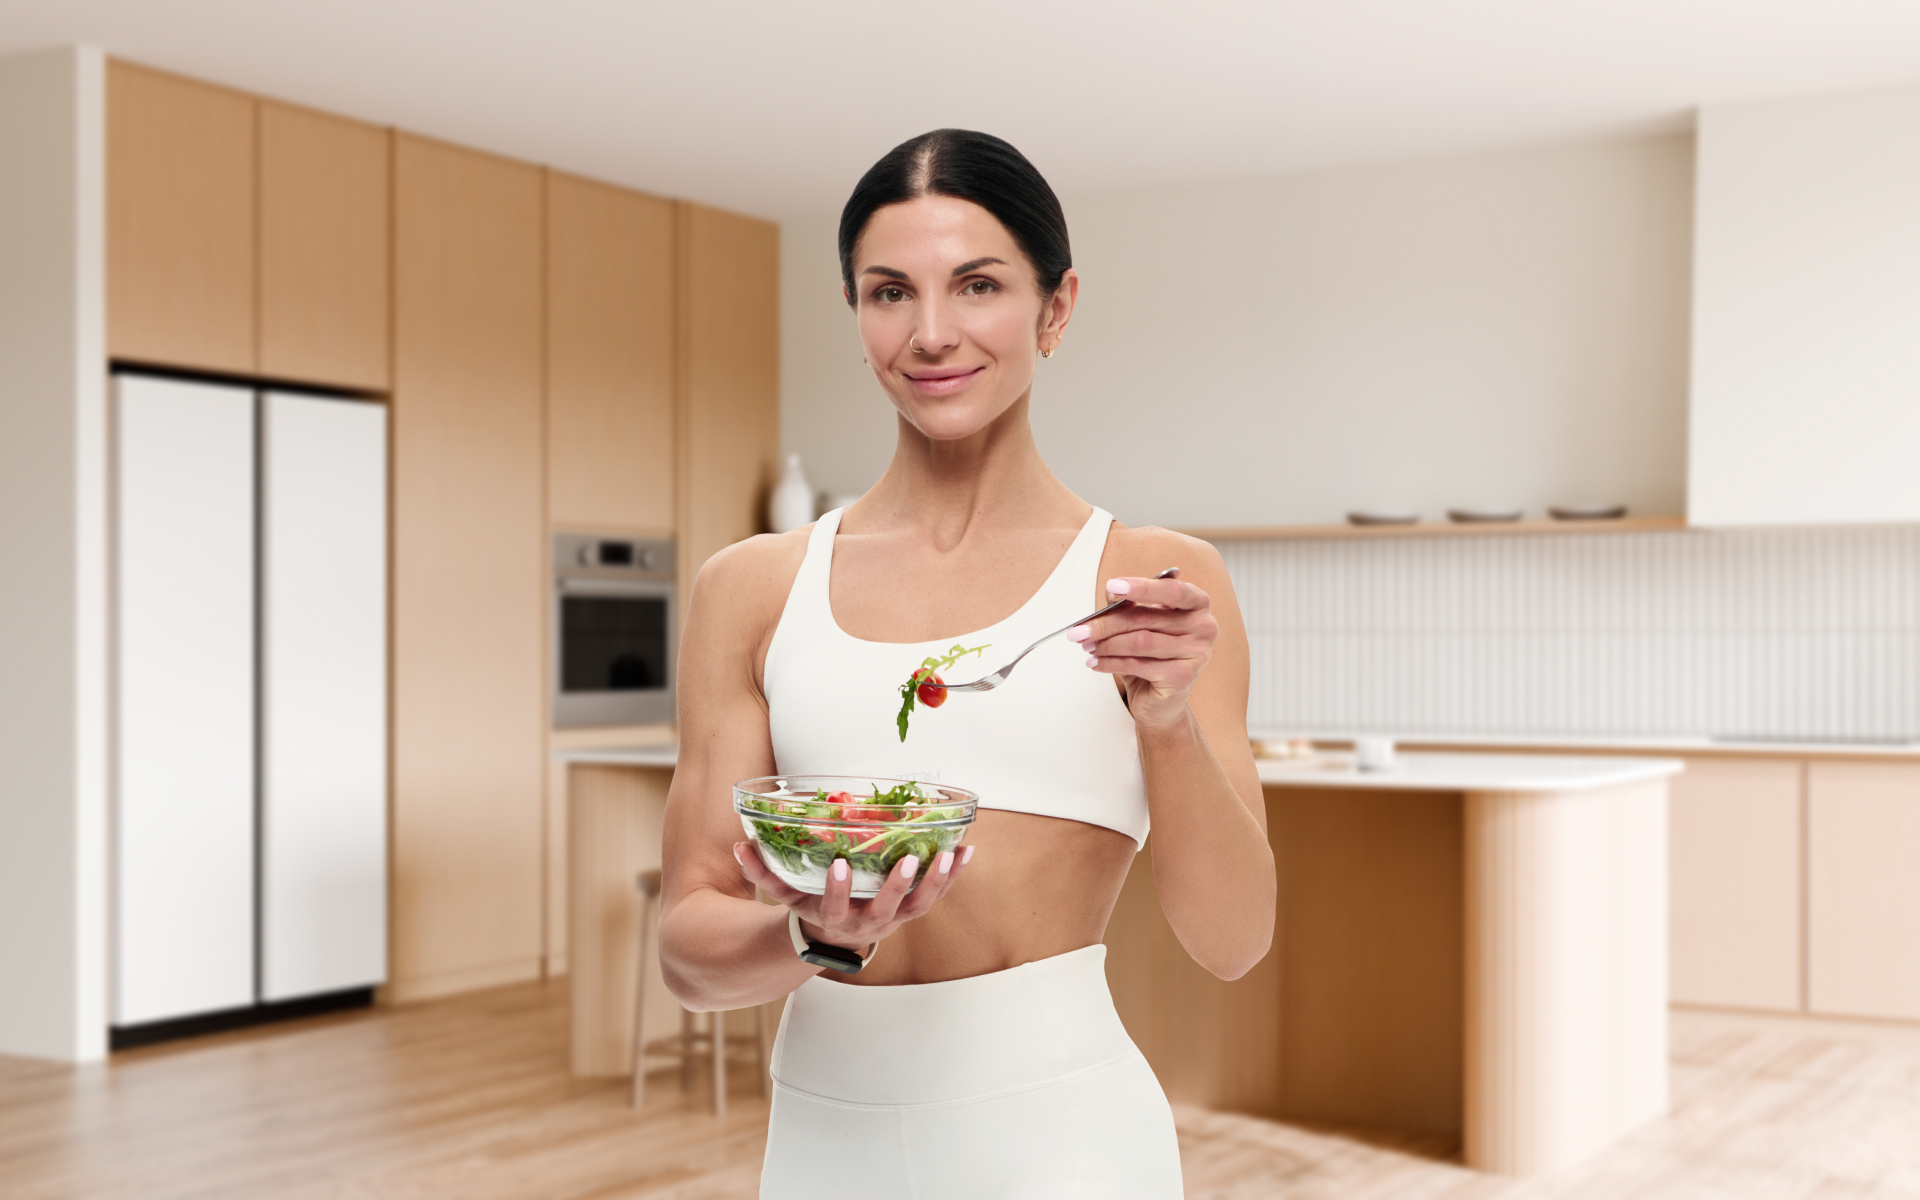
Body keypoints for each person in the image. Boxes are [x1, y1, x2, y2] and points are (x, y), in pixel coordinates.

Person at [658, 128, 1275, 1199]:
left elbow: (1233, 942)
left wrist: (1166, 721)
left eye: (978, 284)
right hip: (821, 1131)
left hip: (1062, 1134)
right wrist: (812, 934)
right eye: (890, 291)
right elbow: (688, 950)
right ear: (856, 317)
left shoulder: (1151, 583)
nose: (931, 333)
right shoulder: (751, 588)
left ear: (1056, 307)